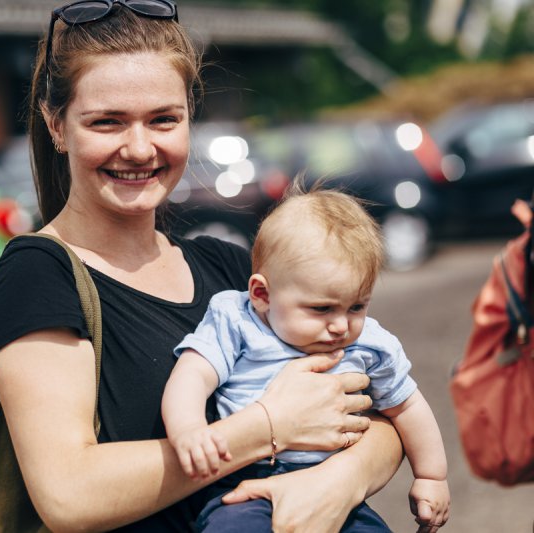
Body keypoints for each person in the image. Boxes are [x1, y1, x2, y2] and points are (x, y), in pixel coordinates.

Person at [0, 1, 405, 531]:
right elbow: (70, 494)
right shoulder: (39, 275)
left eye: (164, 119)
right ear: (57, 126)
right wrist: (269, 427)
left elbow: (383, 418)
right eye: (107, 122)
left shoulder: (232, 269)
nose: (140, 148)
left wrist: (337, 483)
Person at [162, 183, 450, 532]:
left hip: (332, 484)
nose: (341, 325)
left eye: (356, 306)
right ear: (262, 294)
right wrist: (189, 429)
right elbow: (193, 373)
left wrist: (431, 475)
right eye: (322, 309)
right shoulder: (237, 320)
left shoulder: (371, 343)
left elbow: (406, 406)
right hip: (243, 482)